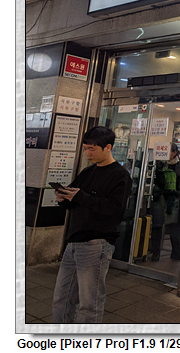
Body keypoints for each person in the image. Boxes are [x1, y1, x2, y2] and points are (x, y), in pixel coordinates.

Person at [51, 126, 132, 323]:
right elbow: (76, 201)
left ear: (108, 147)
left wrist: (82, 197)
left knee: (89, 304)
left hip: (96, 244)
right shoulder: (87, 172)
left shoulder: (120, 175)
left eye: (92, 149)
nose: (87, 153)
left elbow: (114, 209)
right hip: (73, 242)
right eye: (85, 148)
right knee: (61, 299)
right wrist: (64, 199)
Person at [150, 144, 180, 261]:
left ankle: (175, 251)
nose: (167, 155)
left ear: (175, 153)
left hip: (173, 198)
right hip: (159, 196)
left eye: (169, 152)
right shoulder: (158, 164)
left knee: (173, 225)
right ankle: (155, 252)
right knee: (157, 224)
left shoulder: (178, 165)